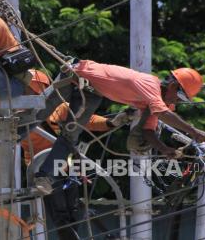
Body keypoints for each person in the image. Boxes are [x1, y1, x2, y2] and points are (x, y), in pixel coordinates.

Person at [34, 60, 205, 194]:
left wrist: (164, 149)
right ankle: (15, 135)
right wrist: (194, 132)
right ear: (173, 86)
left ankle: (43, 177)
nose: (177, 102)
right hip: (74, 75)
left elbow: (148, 131)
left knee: (71, 136)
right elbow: (163, 113)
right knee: (39, 115)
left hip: (92, 91)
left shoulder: (154, 103)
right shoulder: (150, 85)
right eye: (180, 97)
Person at [21, 69, 131, 240]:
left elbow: (87, 120)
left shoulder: (58, 108)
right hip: (42, 169)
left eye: (28, 89)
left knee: (73, 212)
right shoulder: (17, 115)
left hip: (65, 166)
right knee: (61, 214)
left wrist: (111, 122)